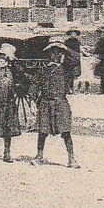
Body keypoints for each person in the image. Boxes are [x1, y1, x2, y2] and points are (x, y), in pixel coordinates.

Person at [34, 38, 79, 168]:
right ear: (49, 54)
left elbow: (76, 59)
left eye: (59, 52)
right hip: (46, 103)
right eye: (52, 52)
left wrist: (65, 48)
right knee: (42, 132)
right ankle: (39, 156)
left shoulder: (66, 70)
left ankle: (71, 159)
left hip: (61, 104)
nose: (56, 55)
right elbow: (34, 85)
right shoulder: (43, 70)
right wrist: (33, 101)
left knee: (66, 132)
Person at [63, 28, 84, 93]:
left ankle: (72, 88)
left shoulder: (78, 42)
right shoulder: (66, 42)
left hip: (75, 60)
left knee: (73, 75)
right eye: (71, 34)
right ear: (70, 34)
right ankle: (67, 88)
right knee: (67, 75)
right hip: (68, 59)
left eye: (74, 34)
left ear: (76, 35)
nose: (73, 35)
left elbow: (79, 50)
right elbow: (64, 50)